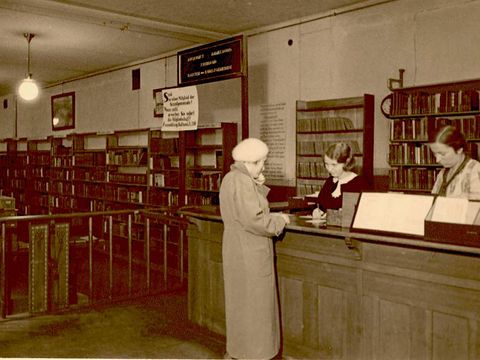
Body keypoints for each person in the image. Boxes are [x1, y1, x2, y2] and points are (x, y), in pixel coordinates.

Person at [219, 137, 290, 360]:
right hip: (251, 254)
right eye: (262, 162)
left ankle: (238, 352)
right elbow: (255, 220)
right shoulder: (242, 181)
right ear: (253, 161)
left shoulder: (231, 178)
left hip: (236, 251)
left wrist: (257, 182)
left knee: (239, 308)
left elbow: (247, 210)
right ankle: (256, 355)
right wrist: (280, 222)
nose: (264, 166)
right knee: (257, 311)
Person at [314, 142, 368, 218]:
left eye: (334, 165)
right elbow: (320, 205)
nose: (329, 169)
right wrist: (316, 211)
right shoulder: (330, 181)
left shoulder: (359, 184)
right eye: (326, 164)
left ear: (347, 162)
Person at [429, 125, 480, 200]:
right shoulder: (443, 173)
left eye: (442, 154)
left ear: (459, 150)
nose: (437, 160)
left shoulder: (475, 170)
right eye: (434, 154)